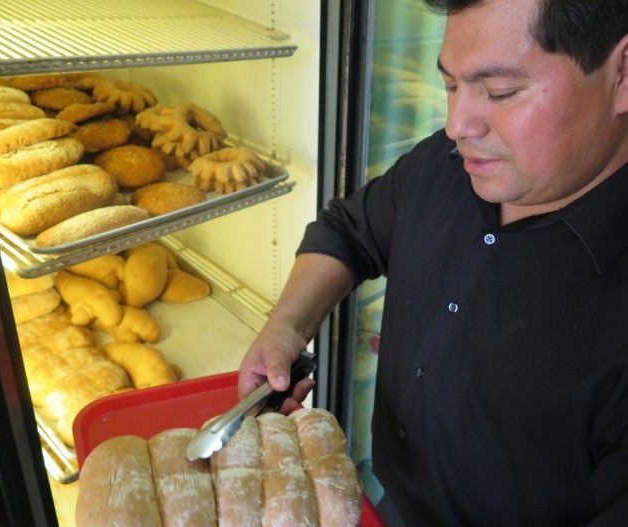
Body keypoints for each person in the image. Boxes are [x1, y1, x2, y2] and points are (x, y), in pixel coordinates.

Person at [238, 0, 628, 525]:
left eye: (499, 92)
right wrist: (288, 325)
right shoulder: (443, 165)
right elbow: (349, 230)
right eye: (450, 85)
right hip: (387, 498)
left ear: (621, 73)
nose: (456, 125)